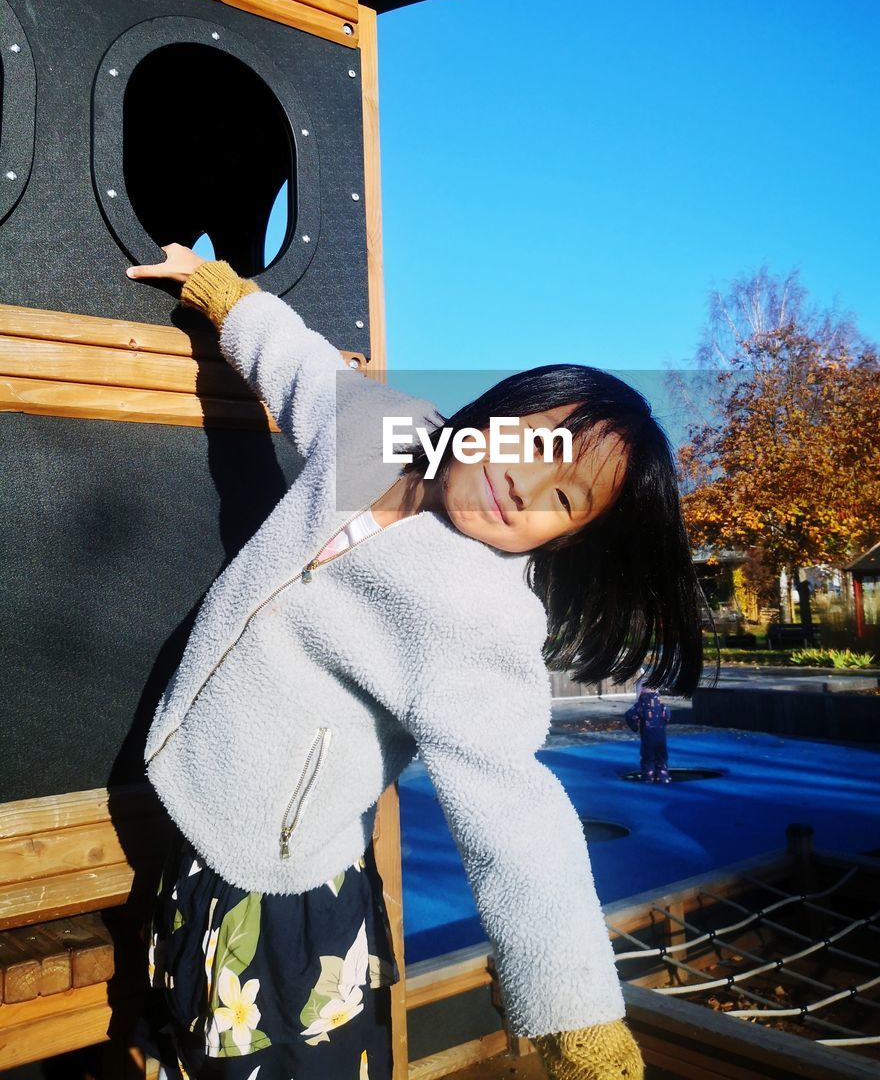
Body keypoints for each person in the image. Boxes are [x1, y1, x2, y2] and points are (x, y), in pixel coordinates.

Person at [126, 244, 704, 1079]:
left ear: (568, 537)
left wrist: (578, 1019)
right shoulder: (391, 431)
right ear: (505, 411)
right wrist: (223, 294)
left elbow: (517, 816)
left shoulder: (481, 615)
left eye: (567, 501)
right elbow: (301, 368)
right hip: (194, 816)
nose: (529, 492)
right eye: (540, 448)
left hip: (284, 883)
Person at [628, 685, 672, 783]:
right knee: (661, 758)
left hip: (648, 739)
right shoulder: (661, 704)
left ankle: (648, 778)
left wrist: (634, 726)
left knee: (648, 759)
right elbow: (668, 714)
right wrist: (664, 722)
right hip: (661, 738)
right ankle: (663, 777)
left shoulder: (640, 704)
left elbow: (630, 715)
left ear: (641, 692)